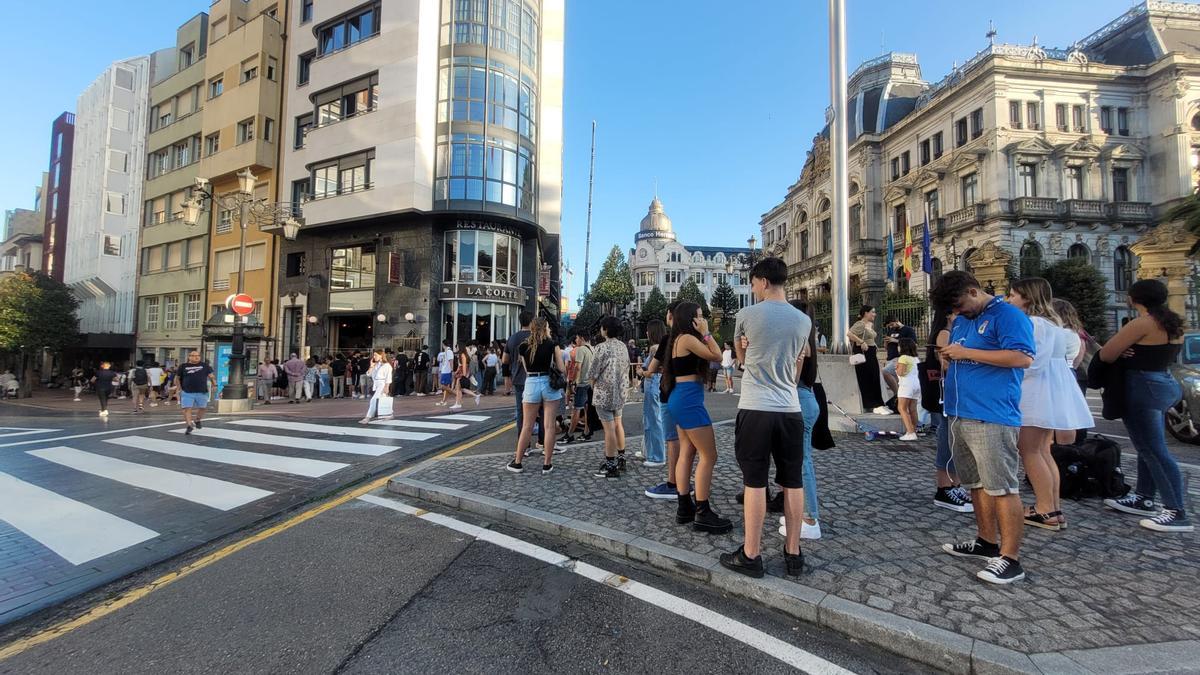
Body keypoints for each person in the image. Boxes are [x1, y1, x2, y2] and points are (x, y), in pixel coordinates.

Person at [932, 271, 1035, 585]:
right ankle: (986, 540)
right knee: (975, 483)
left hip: (991, 415)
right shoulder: (963, 320)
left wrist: (966, 353)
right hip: (960, 412)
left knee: (1002, 487)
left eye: (960, 304)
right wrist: (950, 358)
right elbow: (964, 353)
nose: (957, 312)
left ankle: (1010, 557)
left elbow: (1022, 357)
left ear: (973, 291)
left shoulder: (1008, 316)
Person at [719, 258, 810, 578]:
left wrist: (744, 352)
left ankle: (751, 553)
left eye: (754, 282)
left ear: (764, 281)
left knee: (754, 481)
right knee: (793, 480)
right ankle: (794, 553)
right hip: (789, 409)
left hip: (756, 406)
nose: (752, 287)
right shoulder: (803, 322)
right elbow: (797, 370)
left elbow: (742, 362)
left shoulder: (746, 315)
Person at [1100, 279, 1193, 533]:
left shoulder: (1142, 323)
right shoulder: (1173, 323)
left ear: (1133, 298)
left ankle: (1176, 510)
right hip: (1163, 381)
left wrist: (1125, 349)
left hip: (1142, 386)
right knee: (1147, 446)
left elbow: (1107, 354)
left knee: (1153, 449)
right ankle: (1144, 496)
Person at [1008, 278, 1093, 531]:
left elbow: (1031, 362)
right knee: (1043, 451)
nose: (1010, 299)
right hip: (1051, 388)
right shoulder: (1054, 323)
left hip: (1036, 392)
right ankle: (1052, 507)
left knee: (1031, 450)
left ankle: (1045, 508)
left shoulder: (1034, 323)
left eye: (1013, 295)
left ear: (1028, 298)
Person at [662, 301, 732, 532]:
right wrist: (706, 332)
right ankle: (702, 511)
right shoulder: (689, 339)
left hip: (682, 398)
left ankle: (685, 507)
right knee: (709, 455)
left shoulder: (678, 339)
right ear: (690, 319)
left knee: (688, 452)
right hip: (689, 401)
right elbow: (717, 356)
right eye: (700, 316)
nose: (703, 319)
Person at [776, 300, 823, 541]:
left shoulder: (801, 341)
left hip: (800, 401)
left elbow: (791, 377)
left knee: (802, 463)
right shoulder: (806, 338)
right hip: (805, 399)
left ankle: (810, 518)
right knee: (795, 461)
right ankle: (799, 512)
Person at [923, 308, 973, 513]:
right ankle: (944, 486)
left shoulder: (953, 331)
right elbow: (946, 364)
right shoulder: (944, 333)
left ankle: (954, 484)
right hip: (946, 393)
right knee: (947, 439)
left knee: (955, 441)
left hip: (954, 393)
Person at [506, 316, 566, 474]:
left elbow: (526, 369)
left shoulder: (523, 346)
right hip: (548, 382)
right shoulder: (553, 344)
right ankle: (547, 464)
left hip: (531, 382)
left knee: (527, 425)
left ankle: (518, 462)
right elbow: (561, 368)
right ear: (545, 328)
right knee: (549, 425)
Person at [591, 317, 631, 478]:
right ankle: (621, 458)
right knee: (618, 424)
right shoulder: (623, 347)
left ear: (605, 329)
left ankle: (610, 464)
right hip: (620, 391)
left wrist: (592, 384)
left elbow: (593, 372)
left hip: (604, 393)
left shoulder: (601, 348)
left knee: (608, 430)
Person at [505, 312, 541, 456]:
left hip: (518, 379)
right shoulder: (535, 338)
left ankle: (524, 445)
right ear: (532, 321)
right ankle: (543, 441)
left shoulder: (512, 338)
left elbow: (505, 360)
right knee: (541, 411)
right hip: (536, 378)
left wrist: (508, 378)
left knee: (521, 413)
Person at [848, 306, 890, 415]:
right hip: (865, 354)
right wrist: (861, 342)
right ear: (866, 313)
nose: (874, 314)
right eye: (873, 312)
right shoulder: (860, 324)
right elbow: (849, 334)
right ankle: (874, 405)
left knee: (874, 377)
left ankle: (878, 404)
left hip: (870, 353)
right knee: (869, 378)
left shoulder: (869, 325)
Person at [639, 320, 668, 472]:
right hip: (657, 385)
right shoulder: (664, 346)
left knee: (653, 420)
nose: (646, 333)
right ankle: (649, 450)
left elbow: (650, 371)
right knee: (653, 419)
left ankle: (656, 455)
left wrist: (641, 372)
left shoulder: (654, 348)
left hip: (652, 385)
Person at [561, 332, 594, 444]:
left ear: (582, 337)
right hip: (590, 383)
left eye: (577, 337)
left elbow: (578, 367)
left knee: (577, 409)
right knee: (587, 409)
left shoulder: (580, 350)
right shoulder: (592, 349)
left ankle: (569, 434)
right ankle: (586, 432)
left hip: (582, 383)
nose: (576, 340)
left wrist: (575, 382)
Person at [178, 351, 216, 435]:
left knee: (203, 408)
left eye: (198, 355)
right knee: (187, 408)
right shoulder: (183, 366)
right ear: (189, 357)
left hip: (202, 391)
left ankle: (197, 420)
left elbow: (211, 376)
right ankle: (189, 425)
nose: (197, 357)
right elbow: (177, 378)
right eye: (194, 356)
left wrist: (214, 385)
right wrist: (178, 388)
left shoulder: (205, 366)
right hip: (187, 391)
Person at [881, 316, 917, 395]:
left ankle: (897, 395)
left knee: (885, 372)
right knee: (898, 380)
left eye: (892, 324)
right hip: (890, 357)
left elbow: (914, 343)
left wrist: (895, 340)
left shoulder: (908, 330)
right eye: (889, 326)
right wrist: (886, 343)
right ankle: (900, 396)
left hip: (900, 358)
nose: (891, 327)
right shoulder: (891, 331)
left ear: (897, 321)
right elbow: (886, 347)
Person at [894, 338, 922, 442]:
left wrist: (896, 368)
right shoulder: (915, 358)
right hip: (917, 384)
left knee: (902, 408)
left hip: (907, 385)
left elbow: (901, 373)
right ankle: (913, 430)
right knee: (913, 409)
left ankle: (910, 432)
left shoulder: (903, 358)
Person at [359, 349, 393, 423]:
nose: (374, 357)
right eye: (374, 355)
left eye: (376, 355)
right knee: (383, 399)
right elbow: (368, 374)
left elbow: (388, 377)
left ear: (381, 356)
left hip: (382, 384)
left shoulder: (387, 365)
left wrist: (387, 387)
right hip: (376, 384)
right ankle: (390, 413)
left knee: (374, 400)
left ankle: (368, 417)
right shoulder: (376, 365)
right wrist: (371, 366)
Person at [450, 345, 482, 411]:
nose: (456, 348)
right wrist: (457, 372)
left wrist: (463, 374)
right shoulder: (463, 355)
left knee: (458, 389)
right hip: (462, 373)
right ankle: (459, 402)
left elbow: (463, 365)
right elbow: (461, 366)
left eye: (457, 346)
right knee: (461, 389)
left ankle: (458, 403)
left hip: (462, 374)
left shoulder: (462, 355)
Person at [436, 341, 455, 406]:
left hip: (447, 371)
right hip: (444, 370)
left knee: (443, 386)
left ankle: (457, 394)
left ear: (443, 344)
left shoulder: (449, 351)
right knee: (446, 387)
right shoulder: (445, 352)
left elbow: (451, 361)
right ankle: (444, 401)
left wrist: (452, 370)